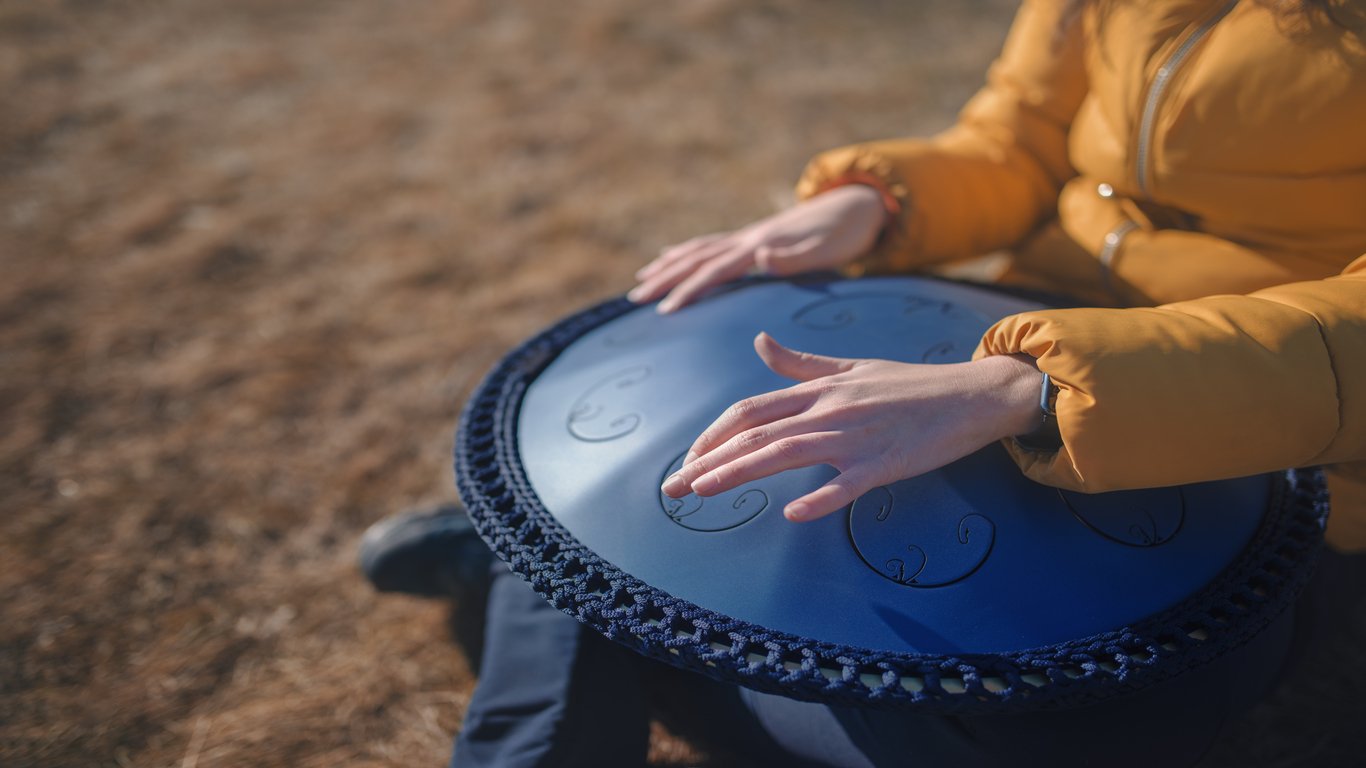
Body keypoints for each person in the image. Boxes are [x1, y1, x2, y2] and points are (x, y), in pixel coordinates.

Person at [362, 0, 1366, 765]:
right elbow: (1017, 139)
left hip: (1271, 454)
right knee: (658, 465)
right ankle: (545, 594)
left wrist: (1037, 390)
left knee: (977, 714)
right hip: (1004, 331)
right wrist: (867, 204)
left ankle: (524, 581)